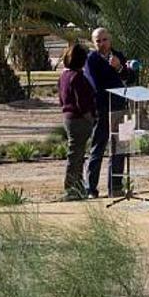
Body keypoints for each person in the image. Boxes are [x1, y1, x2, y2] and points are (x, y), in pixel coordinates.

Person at [84, 27, 136, 198]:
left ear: (110, 39)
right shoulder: (91, 59)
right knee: (98, 149)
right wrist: (115, 79)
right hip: (103, 110)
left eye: (104, 39)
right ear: (93, 42)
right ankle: (91, 188)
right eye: (98, 41)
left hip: (122, 107)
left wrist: (119, 67)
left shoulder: (118, 55)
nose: (102, 43)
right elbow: (95, 84)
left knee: (120, 148)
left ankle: (116, 186)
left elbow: (130, 77)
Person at [58, 43, 96, 201]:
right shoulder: (77, 77)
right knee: (76, 155)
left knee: (76, 154)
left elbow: (61, 98)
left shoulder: (64, 75)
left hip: (68, 117)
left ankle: (77, 186)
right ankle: (72, 187)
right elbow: (83, 102)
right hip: (79, 119)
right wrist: (91, 118)